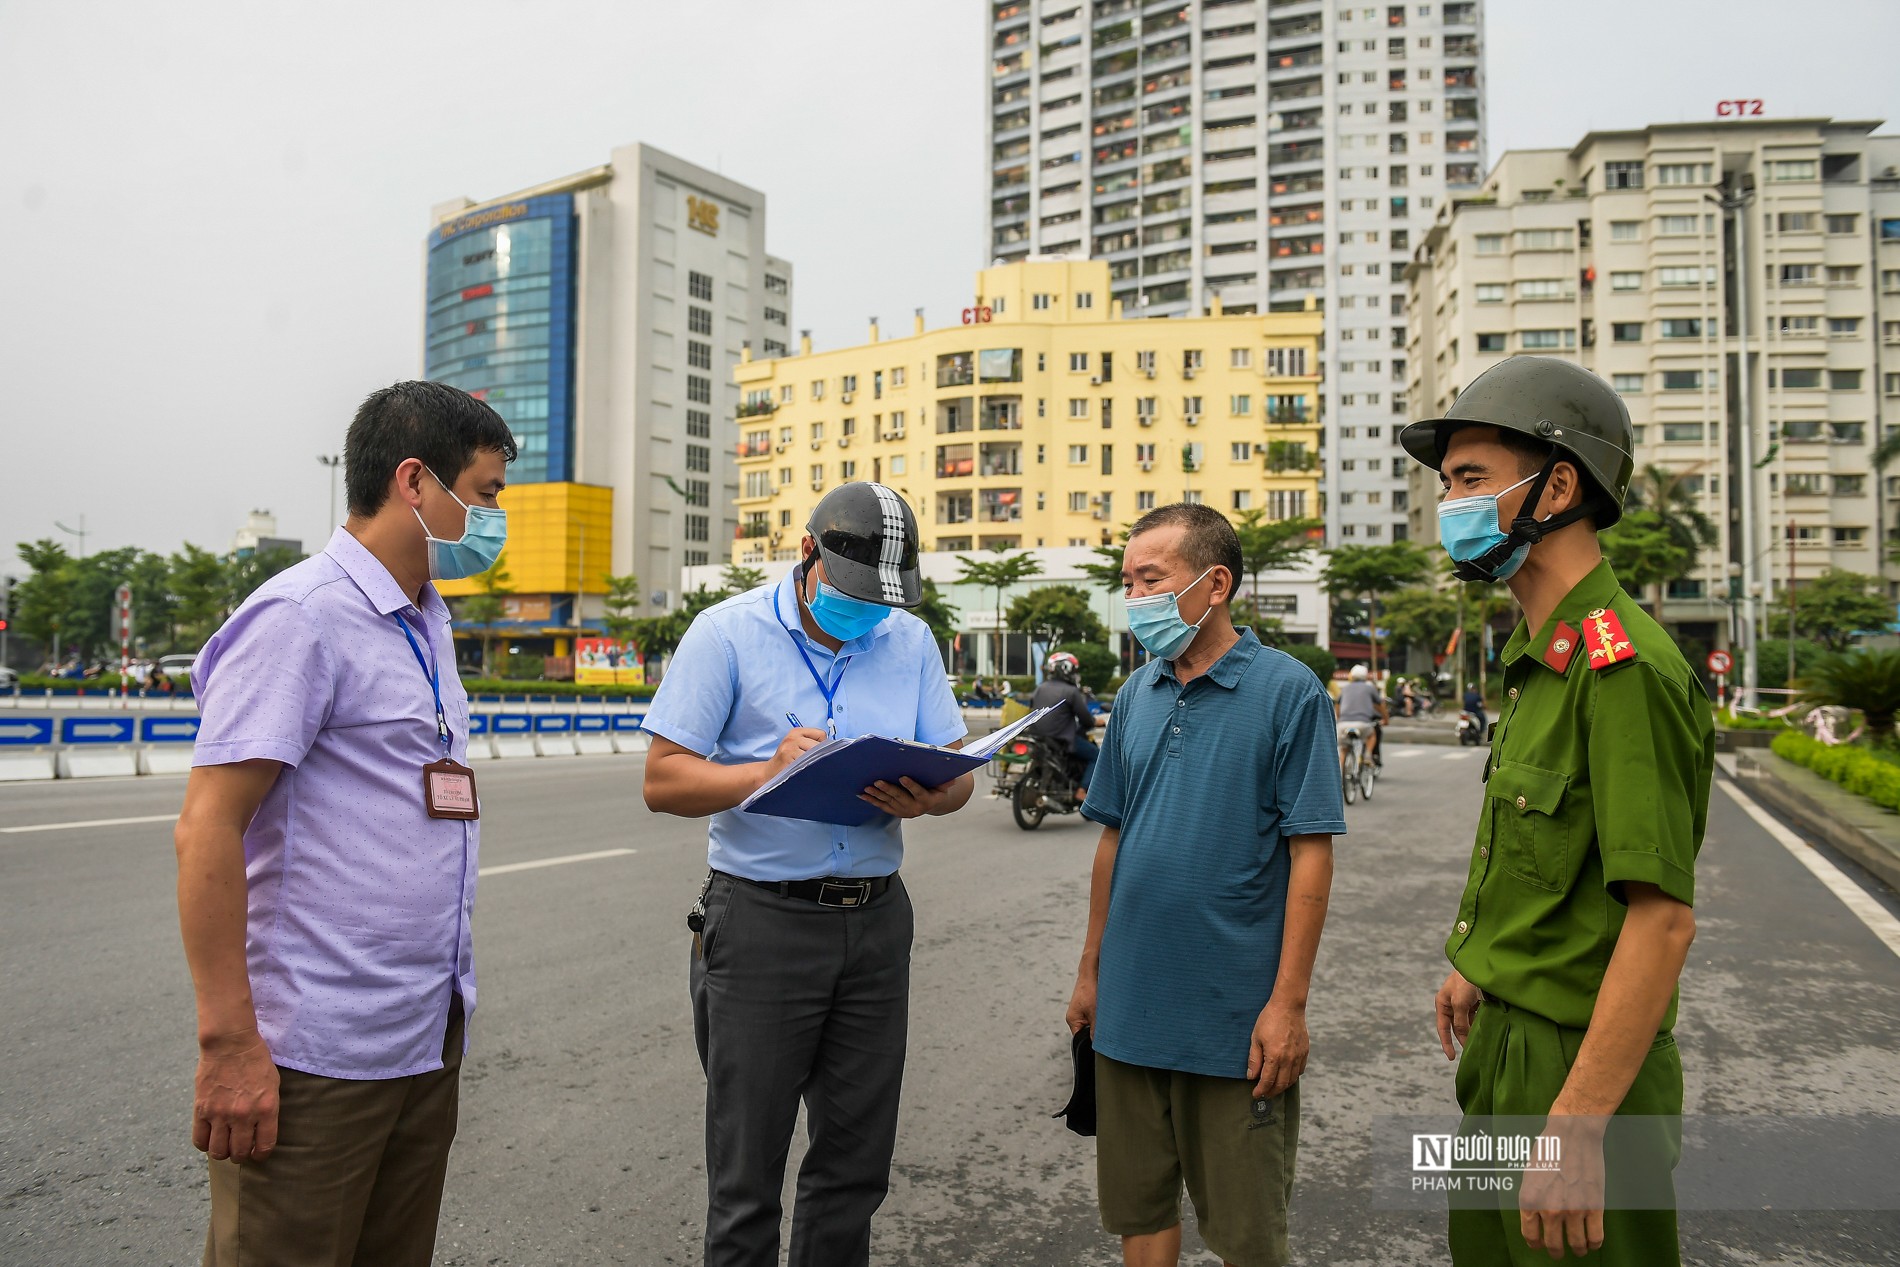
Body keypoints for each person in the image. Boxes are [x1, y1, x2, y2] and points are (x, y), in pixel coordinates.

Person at [174, 381, 513, 1266]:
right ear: (414, 482)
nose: (493, 518)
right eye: (484, 495)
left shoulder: (426, 620)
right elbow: (207, 827)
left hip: (420, 1031)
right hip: (315, 1052)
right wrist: (231, 1043)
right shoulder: (301, 617)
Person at [1401, 356, 1714, 1265]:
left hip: (1580, 1074)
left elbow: (1660, 922)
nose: (1449, 504)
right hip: (1506, 1047)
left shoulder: (1623, 668)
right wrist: (1487, 964)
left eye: (1469, 480)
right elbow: (1551, 856)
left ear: (1560, 483)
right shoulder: (1543, 657)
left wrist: (1576, 1127)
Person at [641, 481, 974, 1267]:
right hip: (762, 923)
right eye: (855, 593)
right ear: (807, 554)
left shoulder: (909, 639)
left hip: (876, 920)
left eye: (884, 599)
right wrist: (764, 769)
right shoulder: (727, 634)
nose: (870, 612)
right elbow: (663, 781)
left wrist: (931, 795)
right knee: (747, 1175)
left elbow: (958, 773)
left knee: (854, 1167)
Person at [1065, 503, 1345, 1267]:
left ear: (1214, 582)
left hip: (1234, 1025)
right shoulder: (1134, 694)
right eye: (1127, 581)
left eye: (1150, 579)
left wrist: (1288, 1003)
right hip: (1129, 1014)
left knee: (1247, 1236)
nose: (1134, 597)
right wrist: (1091, 972)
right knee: (1141, 1212)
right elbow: (1112, 838)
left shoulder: (1289, 691)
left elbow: (1311, 854)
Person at [1028, 650, 1098, 796]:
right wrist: (1095, 721)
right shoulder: (1071, 691)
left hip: (1037, 737)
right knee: (1096, 755)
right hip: (1061, 739)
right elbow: (1086, 719)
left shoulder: (1040, 688)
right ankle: (1082, 790)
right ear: (1066, 669)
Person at [1336, 663, 1386, 775]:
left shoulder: (1345, 689)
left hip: (1343, 724)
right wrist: (1386, 719)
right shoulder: (1370, 688)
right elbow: (1380, 705)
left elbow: (1337, 705)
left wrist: (1339, 718)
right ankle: (1368, 755)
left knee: (1344, 749)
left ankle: (1341, 773)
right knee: (1372, 735)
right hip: (1363, 723)